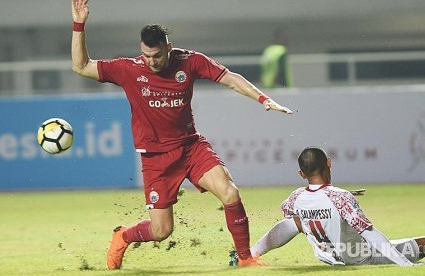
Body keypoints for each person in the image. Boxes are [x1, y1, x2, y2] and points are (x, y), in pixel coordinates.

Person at [71, 0, 293, 270]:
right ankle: (123, 236)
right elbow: (81, 66)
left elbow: (230, 77)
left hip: (191, 147)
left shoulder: (190, 61)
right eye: (146, 56)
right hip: (155, 158)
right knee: (162, 230)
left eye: (157, 56)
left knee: (230, 193)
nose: (151, 62)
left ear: (168, 48)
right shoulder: (129, 69)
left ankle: (245, 258)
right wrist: (79, 24)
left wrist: (263, 99)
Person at [247, 147, 425, 266]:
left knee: (296, 222)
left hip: (326, 257)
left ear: (301, 174)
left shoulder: (296, 198)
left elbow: (298, 218)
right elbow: (370, 233)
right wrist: (404, 264)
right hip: (359, 257)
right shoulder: (340, 198)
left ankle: (252, 253)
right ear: (329, 163)